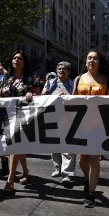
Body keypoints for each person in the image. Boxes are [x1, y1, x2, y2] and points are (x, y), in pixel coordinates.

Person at [72, 50, 109, 208]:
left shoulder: (107, 80)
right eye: (89, 58)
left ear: (100, 62)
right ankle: (88, 180)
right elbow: (72, 100)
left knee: (94, 158)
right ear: (85, 61)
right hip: (81, 124)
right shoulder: (78, 79)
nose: (92, 61)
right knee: (82, 159)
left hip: (99, 124)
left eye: (95, 58)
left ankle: (91, 193)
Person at [0, 50, 41, 195]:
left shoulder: (30, 77)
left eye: (19, 58)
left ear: (24, 62)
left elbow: (39, 95)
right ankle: (26, 172)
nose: (16, 60)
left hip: (24, 116)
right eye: (14, 58)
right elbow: (1, 93)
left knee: (14, 146)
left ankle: (10, 180)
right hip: (8, 116)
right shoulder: (6, 77)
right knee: (18, 146)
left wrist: (31, 94)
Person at [42, 61, 76, 189]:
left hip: (68, 118)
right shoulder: (50, 83)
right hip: (52, 117)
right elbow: (43, 96)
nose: (61, 71)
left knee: (67, 147)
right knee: (54, 144)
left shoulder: (73, 84)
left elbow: (77, 98)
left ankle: (66, 174)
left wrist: (66, 97)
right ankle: (58, 168)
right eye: (59, 69)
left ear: (69, 72)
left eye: (64, 69)